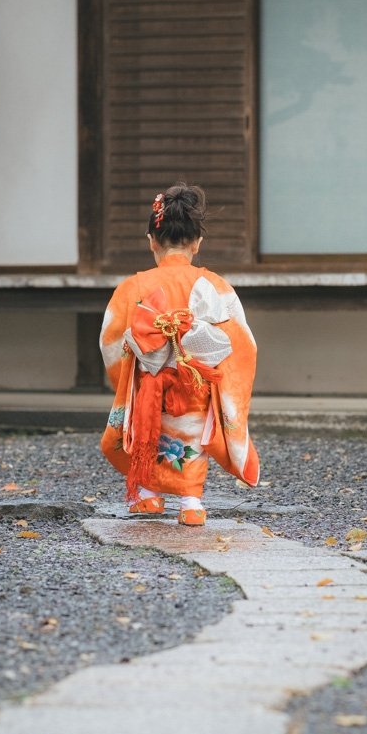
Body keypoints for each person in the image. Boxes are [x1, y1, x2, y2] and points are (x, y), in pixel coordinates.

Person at [99, 182, 260, 525]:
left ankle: (147, 497)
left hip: (148, 386)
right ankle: (191, 504)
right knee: (191, 439)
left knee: (145, 433)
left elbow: (110, 342)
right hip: (196, 385)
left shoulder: (132, 287)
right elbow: (242, 343)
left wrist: (129, 377)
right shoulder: (215, 285)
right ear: (197, 244)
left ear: (152, 242)